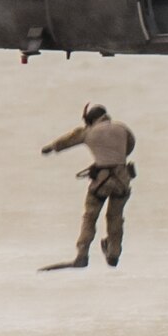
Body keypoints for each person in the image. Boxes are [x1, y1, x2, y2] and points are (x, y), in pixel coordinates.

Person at [40, 103, 136, 268]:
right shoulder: (122, 128)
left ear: (90, 120)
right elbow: (130, 146)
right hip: (122, 179)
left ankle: (82, 255)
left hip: (101, 181)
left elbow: (67, 140)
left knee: (90, 217)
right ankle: (114, 253)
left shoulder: (88, 131)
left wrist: (50, 148)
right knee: (115, 217)